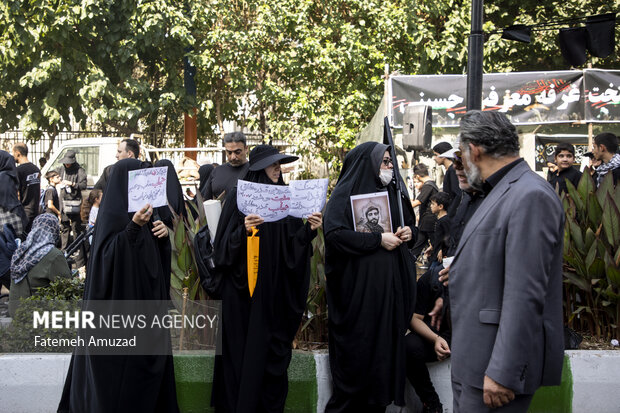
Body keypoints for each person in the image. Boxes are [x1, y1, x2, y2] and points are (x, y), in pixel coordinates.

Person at [445, 110, 564, 412]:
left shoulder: (529, 195)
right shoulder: (500, 190)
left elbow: (525, 294)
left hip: (494, 370)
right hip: (474, 361)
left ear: (474, 149)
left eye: (461, 153)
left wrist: (503, 371)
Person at [58, 158, 179, 413]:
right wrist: (133, 227)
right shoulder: (112, 216)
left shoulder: (148, 216)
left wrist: (162, 237)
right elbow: (106, 260)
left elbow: (154, 267)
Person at [211, 145, 322, 413]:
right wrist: (244, 230)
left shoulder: (286, 199)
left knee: (272, 361)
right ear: (259, 168)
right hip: (242, 301)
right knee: (242, 361)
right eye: (273, 164)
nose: (277, 169)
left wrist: (308, 230)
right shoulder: (240, 197)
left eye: (280, 164)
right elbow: (222, 252)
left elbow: (292, 251)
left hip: (274, 298)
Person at [323, 142, 417, 412]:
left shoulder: (392, 192)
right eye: (384, 162)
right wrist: (377, 240)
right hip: (358, 300)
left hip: (387, 299)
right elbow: (335, 235)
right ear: (367, 163)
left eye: (390, 162)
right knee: (358, 363)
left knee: (381, 366)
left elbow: (411, 227)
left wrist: (410, 233)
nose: (389, 167)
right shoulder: (343, 195)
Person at [8, 213, 71, 316]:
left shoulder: (21, 251)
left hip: (16, 312)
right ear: (54, 230)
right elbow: (67, 288)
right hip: (36, 315)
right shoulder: (54, 255)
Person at [56, 150, 87, 266]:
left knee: (76, 228)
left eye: (69, 163)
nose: (67, 165)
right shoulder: (62, 169)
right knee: (64, 227)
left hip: (74, 203)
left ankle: (78, 251)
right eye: (66, 163)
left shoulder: (80, 171)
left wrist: (72, 184)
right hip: (63, 203)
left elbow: (83, 185)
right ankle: (64, 251)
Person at [202, 132, 250, 200]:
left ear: (246, 149)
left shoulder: (253, 172)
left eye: (237, 152)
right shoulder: (217, 171)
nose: (233, 157)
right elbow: (206, 200)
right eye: (229, 153)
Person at [410, 163, 438, 260]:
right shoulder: (431, 184)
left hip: (429, 221)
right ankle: (410, 260)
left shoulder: (428, 186)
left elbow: (418, 202)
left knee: (435, 244)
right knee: (420, 244)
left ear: (417, 176)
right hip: (426, 222)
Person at [12, 142, 41, 232]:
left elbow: (17, 193)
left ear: (18, 153)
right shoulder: (36, 169)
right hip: (35, 210)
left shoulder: (18, 171)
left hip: (23, 212)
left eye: (13, 153)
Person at [0, 150, 28, 240]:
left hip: (7, 215)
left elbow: (4, 198)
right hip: (15, 213)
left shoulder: (3, 176)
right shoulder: (10, 174)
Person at [422, 191, 451, 266]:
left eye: (433, 204)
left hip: (440, 257)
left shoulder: (445, 220)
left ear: (440, 206)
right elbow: (439, 237)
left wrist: (442, 250)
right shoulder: (438, 219)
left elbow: (448, 237)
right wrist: (432, 247)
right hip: (435, 254)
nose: (431, 206)